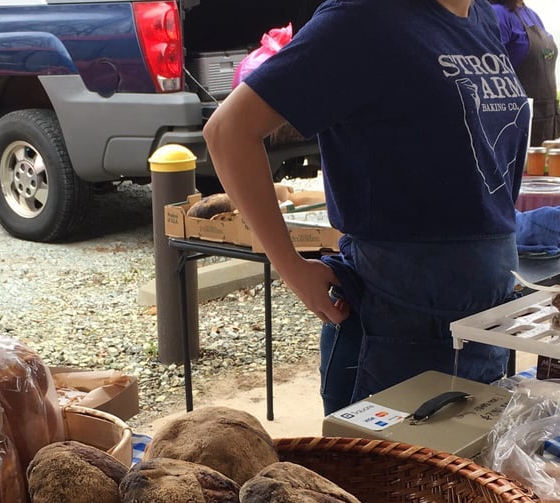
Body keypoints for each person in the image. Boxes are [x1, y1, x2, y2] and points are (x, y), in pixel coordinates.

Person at [203, 0, 530, 415]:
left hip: (485, 309)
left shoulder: (481, 15)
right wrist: (291, 268)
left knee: (467, 474)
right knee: (387, 477)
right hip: (401, 315)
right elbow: (228, 131)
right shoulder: (365, 17)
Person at [489, 0, 560, 144]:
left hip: (548, 121)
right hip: (518, 127)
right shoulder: (497, 14)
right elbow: (490, 71)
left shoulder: (532, 15)